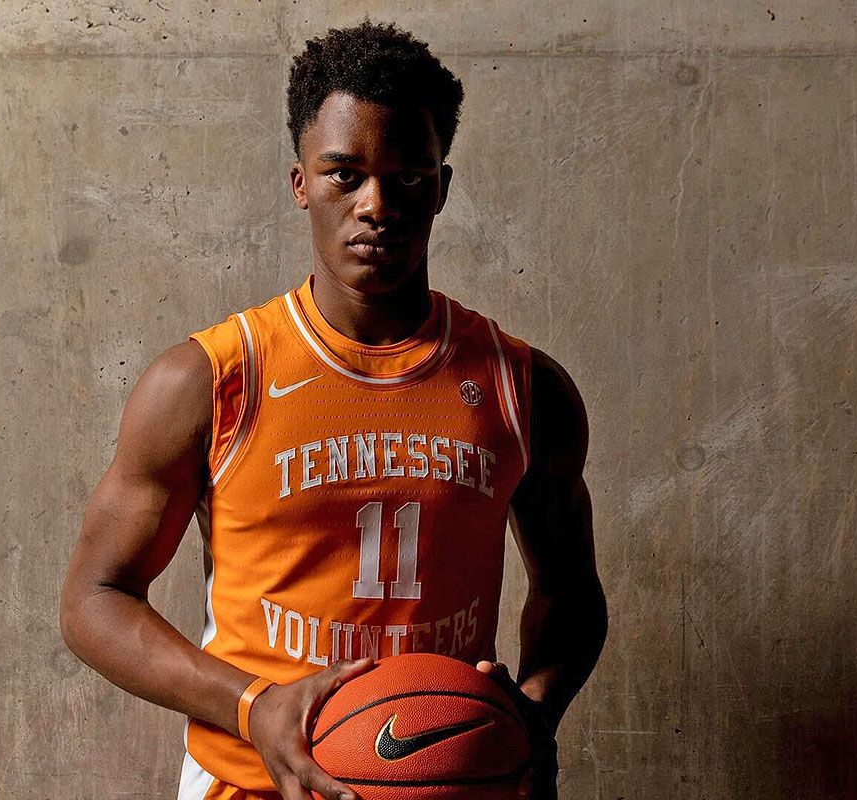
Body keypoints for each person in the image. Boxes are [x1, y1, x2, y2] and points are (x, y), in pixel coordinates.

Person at [59, 19, 606, 800]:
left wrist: (534, 714)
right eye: (344, 175)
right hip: (252, 786)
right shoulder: (210, 379)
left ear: (442, 187)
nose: (375, 205)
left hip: (447, 788)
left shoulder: (521, 387)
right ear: (300, 183)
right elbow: (94, 599)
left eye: (408, 178)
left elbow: (569, 594)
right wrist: (252, 706)